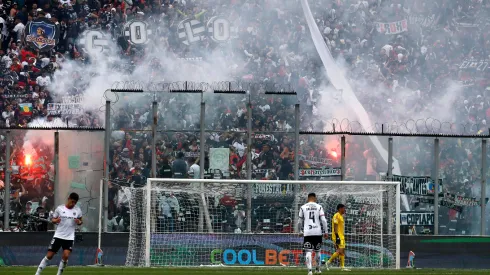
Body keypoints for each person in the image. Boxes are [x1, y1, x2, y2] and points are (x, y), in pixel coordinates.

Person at [35, 193, 82, 275]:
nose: (73, 204)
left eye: (75, 202)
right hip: (58, 236)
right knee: (49, 256)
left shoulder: (77, 210)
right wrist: (55, 221)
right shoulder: (60, 209)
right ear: (69, 199)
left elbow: (81, 220)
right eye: (72, 201)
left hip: (69, 237)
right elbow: (53, 219)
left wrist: (79, 222)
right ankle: (37, 273)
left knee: (66, 256)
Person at [298, 193, 328, 275]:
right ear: (315, 198)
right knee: (318, 251)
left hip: (307, 232)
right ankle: (318, 269)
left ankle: (310, 271)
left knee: (308, 251)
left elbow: (299, 221)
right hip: (317, 232)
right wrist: (326, 231)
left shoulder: (303, 207)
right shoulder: (319, 207)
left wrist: (300, 231)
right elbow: (324, 220)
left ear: (308, 198)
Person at [326, 204, 350, 271]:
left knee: (342, 252)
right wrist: (337, 237)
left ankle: (342, 267)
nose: (344, 210)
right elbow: (335, 225)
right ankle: (328, 262)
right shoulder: (336, 215)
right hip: (338, 236)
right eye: (343, 208)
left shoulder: (341, 216)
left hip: (341, 235)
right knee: (340, 251)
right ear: (340, 208)